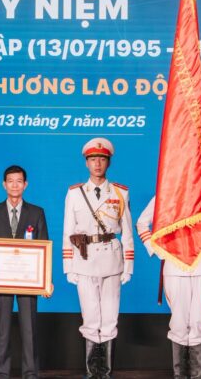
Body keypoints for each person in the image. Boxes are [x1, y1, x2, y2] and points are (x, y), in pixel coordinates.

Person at [62, 138, 134, 378]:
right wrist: (68, 266)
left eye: (102, 159)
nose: (97, 164)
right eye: (93, 159)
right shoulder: (74, 193)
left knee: (110, 317)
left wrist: (129, 266)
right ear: (86, 163)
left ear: (108, 162)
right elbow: (67, 232)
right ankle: (92, 372)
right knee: (90, 317)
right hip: (84, 261)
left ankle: (106, 372)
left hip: (112, 259)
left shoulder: (121, 192)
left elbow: (127, 232)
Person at [0, 165, 49, 378]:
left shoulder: (37, 212)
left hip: (29, 280)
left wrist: (46, 281)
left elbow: (44, 246)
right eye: (10, 181)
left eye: (19, 181)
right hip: (0, 279)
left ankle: (31, 373)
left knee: (29, 328)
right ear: (4, 184)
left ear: (25, 185)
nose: (14, 185)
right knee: (1, 329)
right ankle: (0, 373)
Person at [136, 197, 201, 379]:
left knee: (198, 321)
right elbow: (141, 223)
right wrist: (157, 249)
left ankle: (195, 375)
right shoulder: (165, 193)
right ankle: (180, 374)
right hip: (175, 263)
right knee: (179, 322)